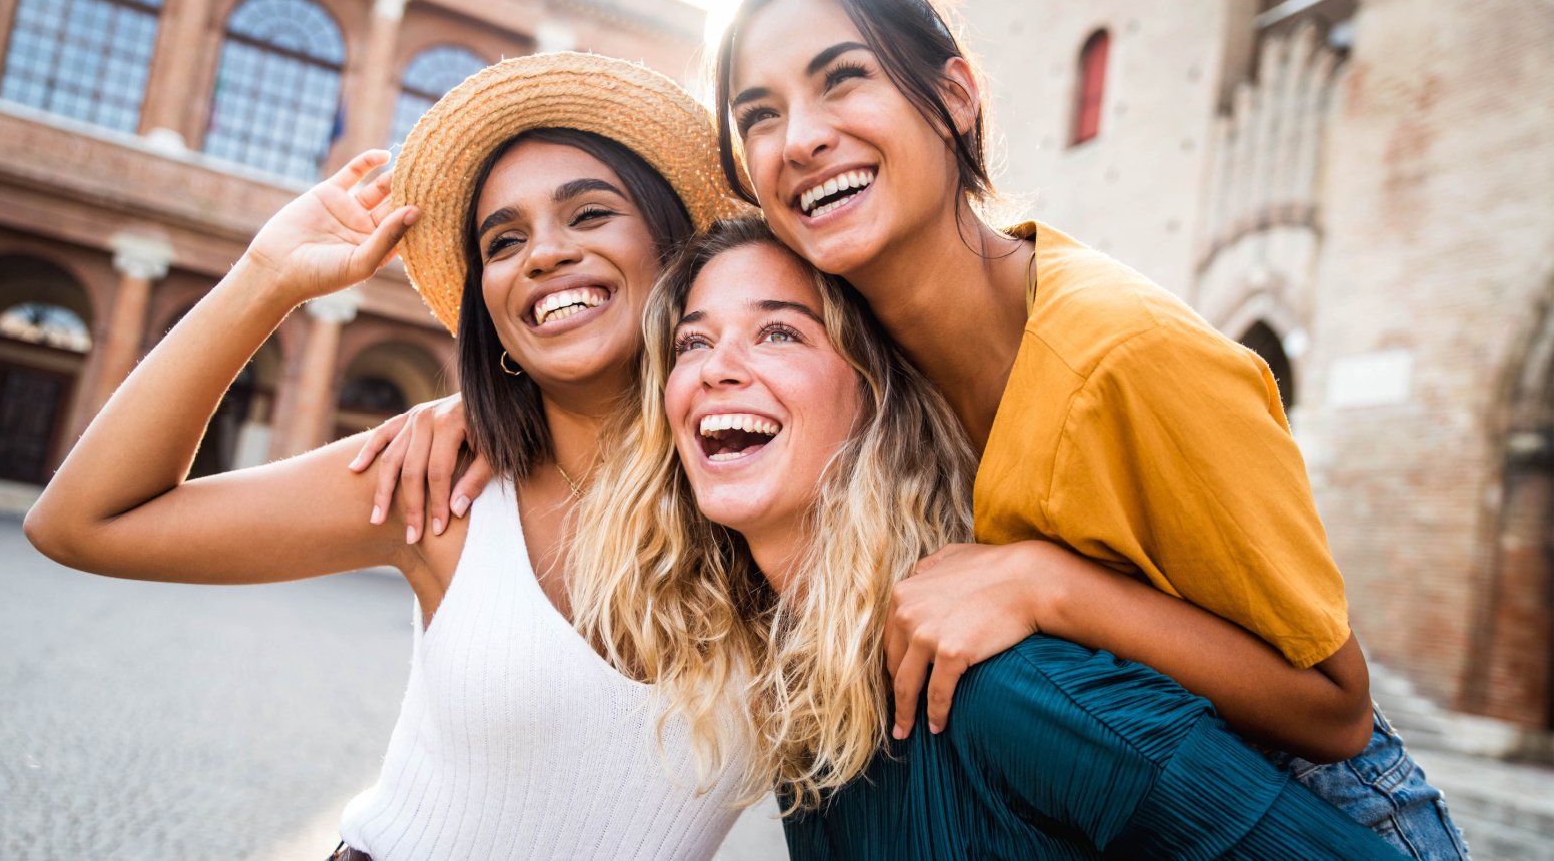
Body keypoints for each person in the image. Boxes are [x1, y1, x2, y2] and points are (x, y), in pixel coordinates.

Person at [710, 0, 1468, 857]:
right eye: (760, 114)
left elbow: (1336, 710)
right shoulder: (864, 359)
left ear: (955, 97)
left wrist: (1049, 585)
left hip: (1311, 811)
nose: (799, 138)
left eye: (844, 79)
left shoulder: (1126, 354)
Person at [22, 53, 751, 861]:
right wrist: (266, 279)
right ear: (490, 303)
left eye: (588, 215)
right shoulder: (439, 489)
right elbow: (82, 522)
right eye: (502, 241)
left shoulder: (776, 496)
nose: (542, 254)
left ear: (677, 248)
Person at [569, 214, 1405, 859]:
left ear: (875, 397)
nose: (717, 367)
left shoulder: (1013, 691)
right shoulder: (803, 689)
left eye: (780, 331)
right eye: (693, 342)